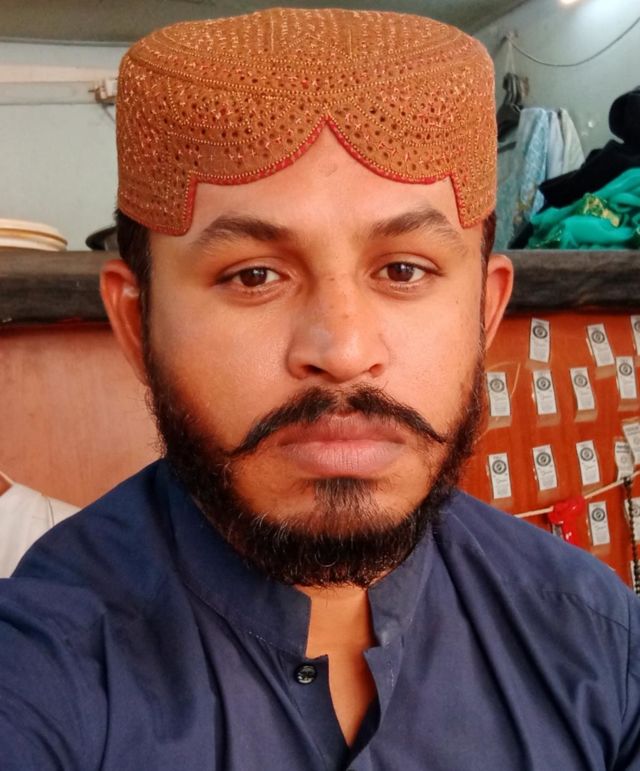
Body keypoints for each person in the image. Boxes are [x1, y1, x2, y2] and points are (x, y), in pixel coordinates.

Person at [0, 8, 638, 769]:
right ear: (138, 324)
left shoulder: (599, 644)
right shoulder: (42, 663)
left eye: (403, 269)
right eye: (253, 276)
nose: (344, 352)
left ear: (484, 311)